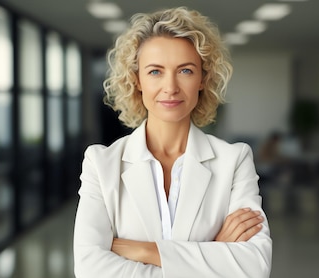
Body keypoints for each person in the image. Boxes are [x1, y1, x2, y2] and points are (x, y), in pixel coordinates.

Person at [73, 7, 272, 277]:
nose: (170, 87)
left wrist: (147, 251)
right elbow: (90, 269)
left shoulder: (234, 160)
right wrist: (213, 251)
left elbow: (253, 266)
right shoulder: (101, 164)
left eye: (185, 71)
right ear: (137, 79)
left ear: (203, 78)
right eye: (155, 71)